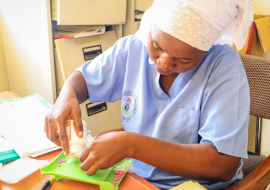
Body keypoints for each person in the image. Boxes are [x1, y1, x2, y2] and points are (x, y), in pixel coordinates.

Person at [44, 0, 254, 189]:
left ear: (207, 47)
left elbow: (223, 165)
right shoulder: (133, 48)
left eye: (183, 60)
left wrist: (130, 145)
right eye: (156, 46)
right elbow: (82, 80)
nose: (162, 63)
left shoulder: (224, 67)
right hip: (136, 177)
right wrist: (66, 95)